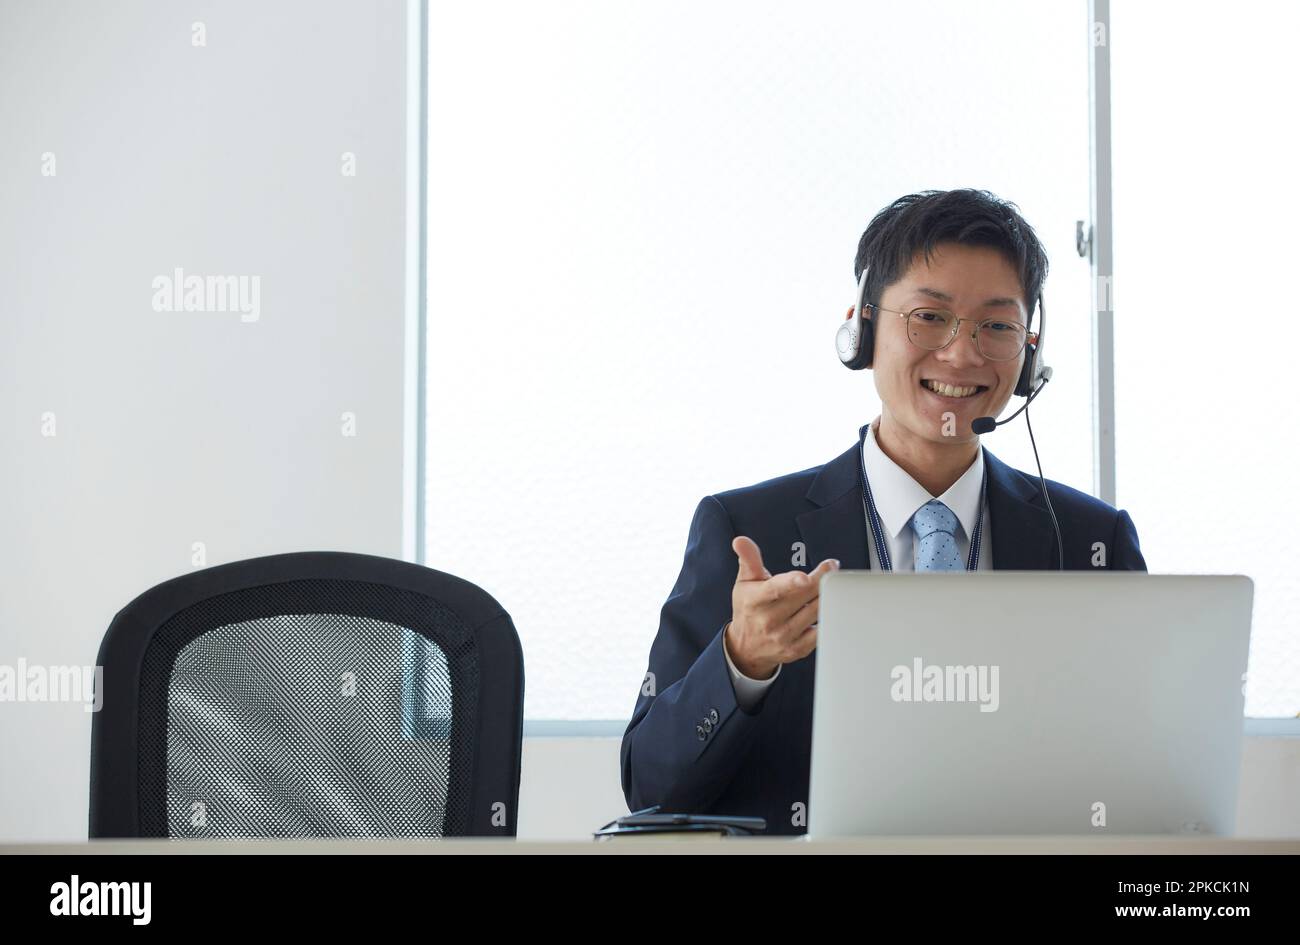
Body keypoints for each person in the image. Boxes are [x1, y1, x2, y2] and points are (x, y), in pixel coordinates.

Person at [619, 189, 1147, 835]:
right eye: (929, 317)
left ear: (1029, 353)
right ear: (862, 327)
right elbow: (650, 788)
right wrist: (743, 661)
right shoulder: (746, 529)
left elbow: (1140, 779)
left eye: (997, 325)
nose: (961, 353)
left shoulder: (1093, 540)